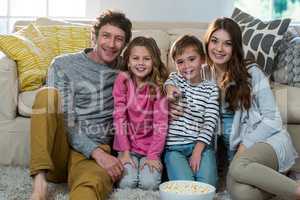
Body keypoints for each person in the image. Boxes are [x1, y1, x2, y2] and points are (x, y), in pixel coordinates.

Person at [167, 17, 300, 199]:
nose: (219, 48)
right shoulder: (203, 72)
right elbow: (175, 77)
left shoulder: (252, 72)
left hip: (265, 143)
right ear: (207, 43)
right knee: (240, 193)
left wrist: (245, 146)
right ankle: (276, 180)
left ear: (235, 47)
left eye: (227, 43)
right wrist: (168, 91)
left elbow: (273, 119)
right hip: (235, 159)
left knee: (238, 167)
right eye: (214, 41)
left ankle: (296, 190)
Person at [30, 10, 132, 200]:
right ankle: (39, 184)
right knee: (46, 95)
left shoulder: (127, 69)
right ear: (94, 36)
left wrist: (171, 98)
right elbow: (67, 120)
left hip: (94, 154)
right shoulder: (63, 64)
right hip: (59, 149)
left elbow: (158, 79)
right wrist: (97, 153)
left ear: (125, 45)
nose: (111, 44)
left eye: (118, 39)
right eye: (106, 36)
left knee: (88, 189)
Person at [113, 36, 169, 190]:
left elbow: (161, 123)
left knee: (148, 183)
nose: (141, 63)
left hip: (151, 148)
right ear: (128, 61)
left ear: (154, 61)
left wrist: (153, 155)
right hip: (127, 148)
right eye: (136, 58)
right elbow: (119, 117)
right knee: (126, 183)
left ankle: (150, 165)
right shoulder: (122, 80)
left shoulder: (158, 84)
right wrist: (124, 152)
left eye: (146, 59)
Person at [163, 35, 219, 187]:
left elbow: (210, 121)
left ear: (202, 59)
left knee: (207, 186)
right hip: (175, 149)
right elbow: (169, 83)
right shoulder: (176, 79)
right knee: (186, 186)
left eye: (191, 59)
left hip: (200, 145)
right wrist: (169, 91)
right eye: (180, 62)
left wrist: (197, 151)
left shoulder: (211, 88)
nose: (186, 66)